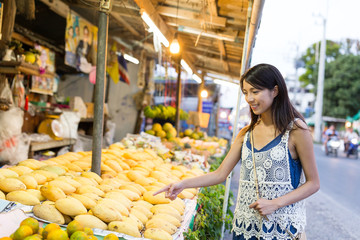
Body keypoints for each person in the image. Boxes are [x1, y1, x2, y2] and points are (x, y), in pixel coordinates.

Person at [155, 64, 320, 240]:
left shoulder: (295, 130)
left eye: (255, 91)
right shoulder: (245, 134)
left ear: (275, 91)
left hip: (280, 231)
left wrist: (275, 204)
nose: (249, 98)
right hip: (245, 229)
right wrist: (183, 184)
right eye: (245, 92)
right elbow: (220, 174)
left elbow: (313, 183)